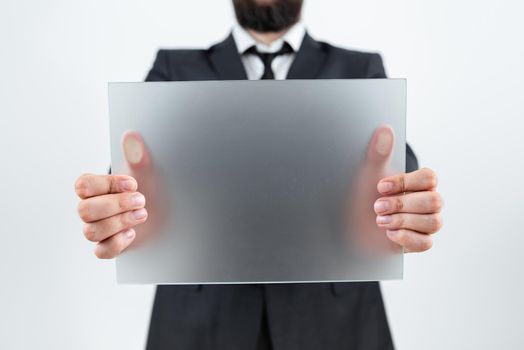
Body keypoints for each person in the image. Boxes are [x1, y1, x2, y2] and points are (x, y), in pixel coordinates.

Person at [74, 0, 443, 349]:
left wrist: (405, 202)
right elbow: (132, 168)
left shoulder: (360, 70)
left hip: (334, 323)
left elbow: (399, 169)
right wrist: (120, 206)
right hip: (203, 324)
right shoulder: (174, 70)